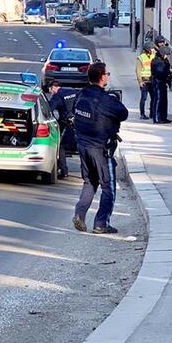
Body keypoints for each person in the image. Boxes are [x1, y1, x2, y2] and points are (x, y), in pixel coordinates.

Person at [72, 63, 129, 234]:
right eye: (107, 74)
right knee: (108, 186)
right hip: (101, 149)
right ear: (102, 77)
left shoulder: (81, 94)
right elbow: (123, 113)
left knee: (89, 181)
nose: (108, 76)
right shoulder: (105, 100)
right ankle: (101, 223)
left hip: (83, 146)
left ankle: (80, 214)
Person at [46, 79, 79, 179]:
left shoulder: (58, 96)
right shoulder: (73, 91)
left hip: (68, 125)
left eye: (50, 90)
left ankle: (63, 171)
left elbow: (49, 110)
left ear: (53, 87)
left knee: (60, 146)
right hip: (82, 124)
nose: (51, 93)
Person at [151, 47, 172, 123]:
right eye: (166, 54)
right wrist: (169, 71)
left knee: (163, 100)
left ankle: (163, 117)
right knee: (158, 99)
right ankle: (157, 117)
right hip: (158, 82)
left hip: (163, 82)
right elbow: (159, 72)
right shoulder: (157, 61)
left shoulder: (164, 60)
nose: (167, 56)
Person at [135, 44, 155, 120]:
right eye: (151, 48)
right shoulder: (141, 58)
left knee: (153, 97)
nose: (153, 49)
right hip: (144, 81)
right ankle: (142, 113)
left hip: (152, 80)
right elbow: (138, 70)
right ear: (148, 49)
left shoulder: (153, 56)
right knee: (144, 98)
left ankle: (152, 113)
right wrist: (140, 81)